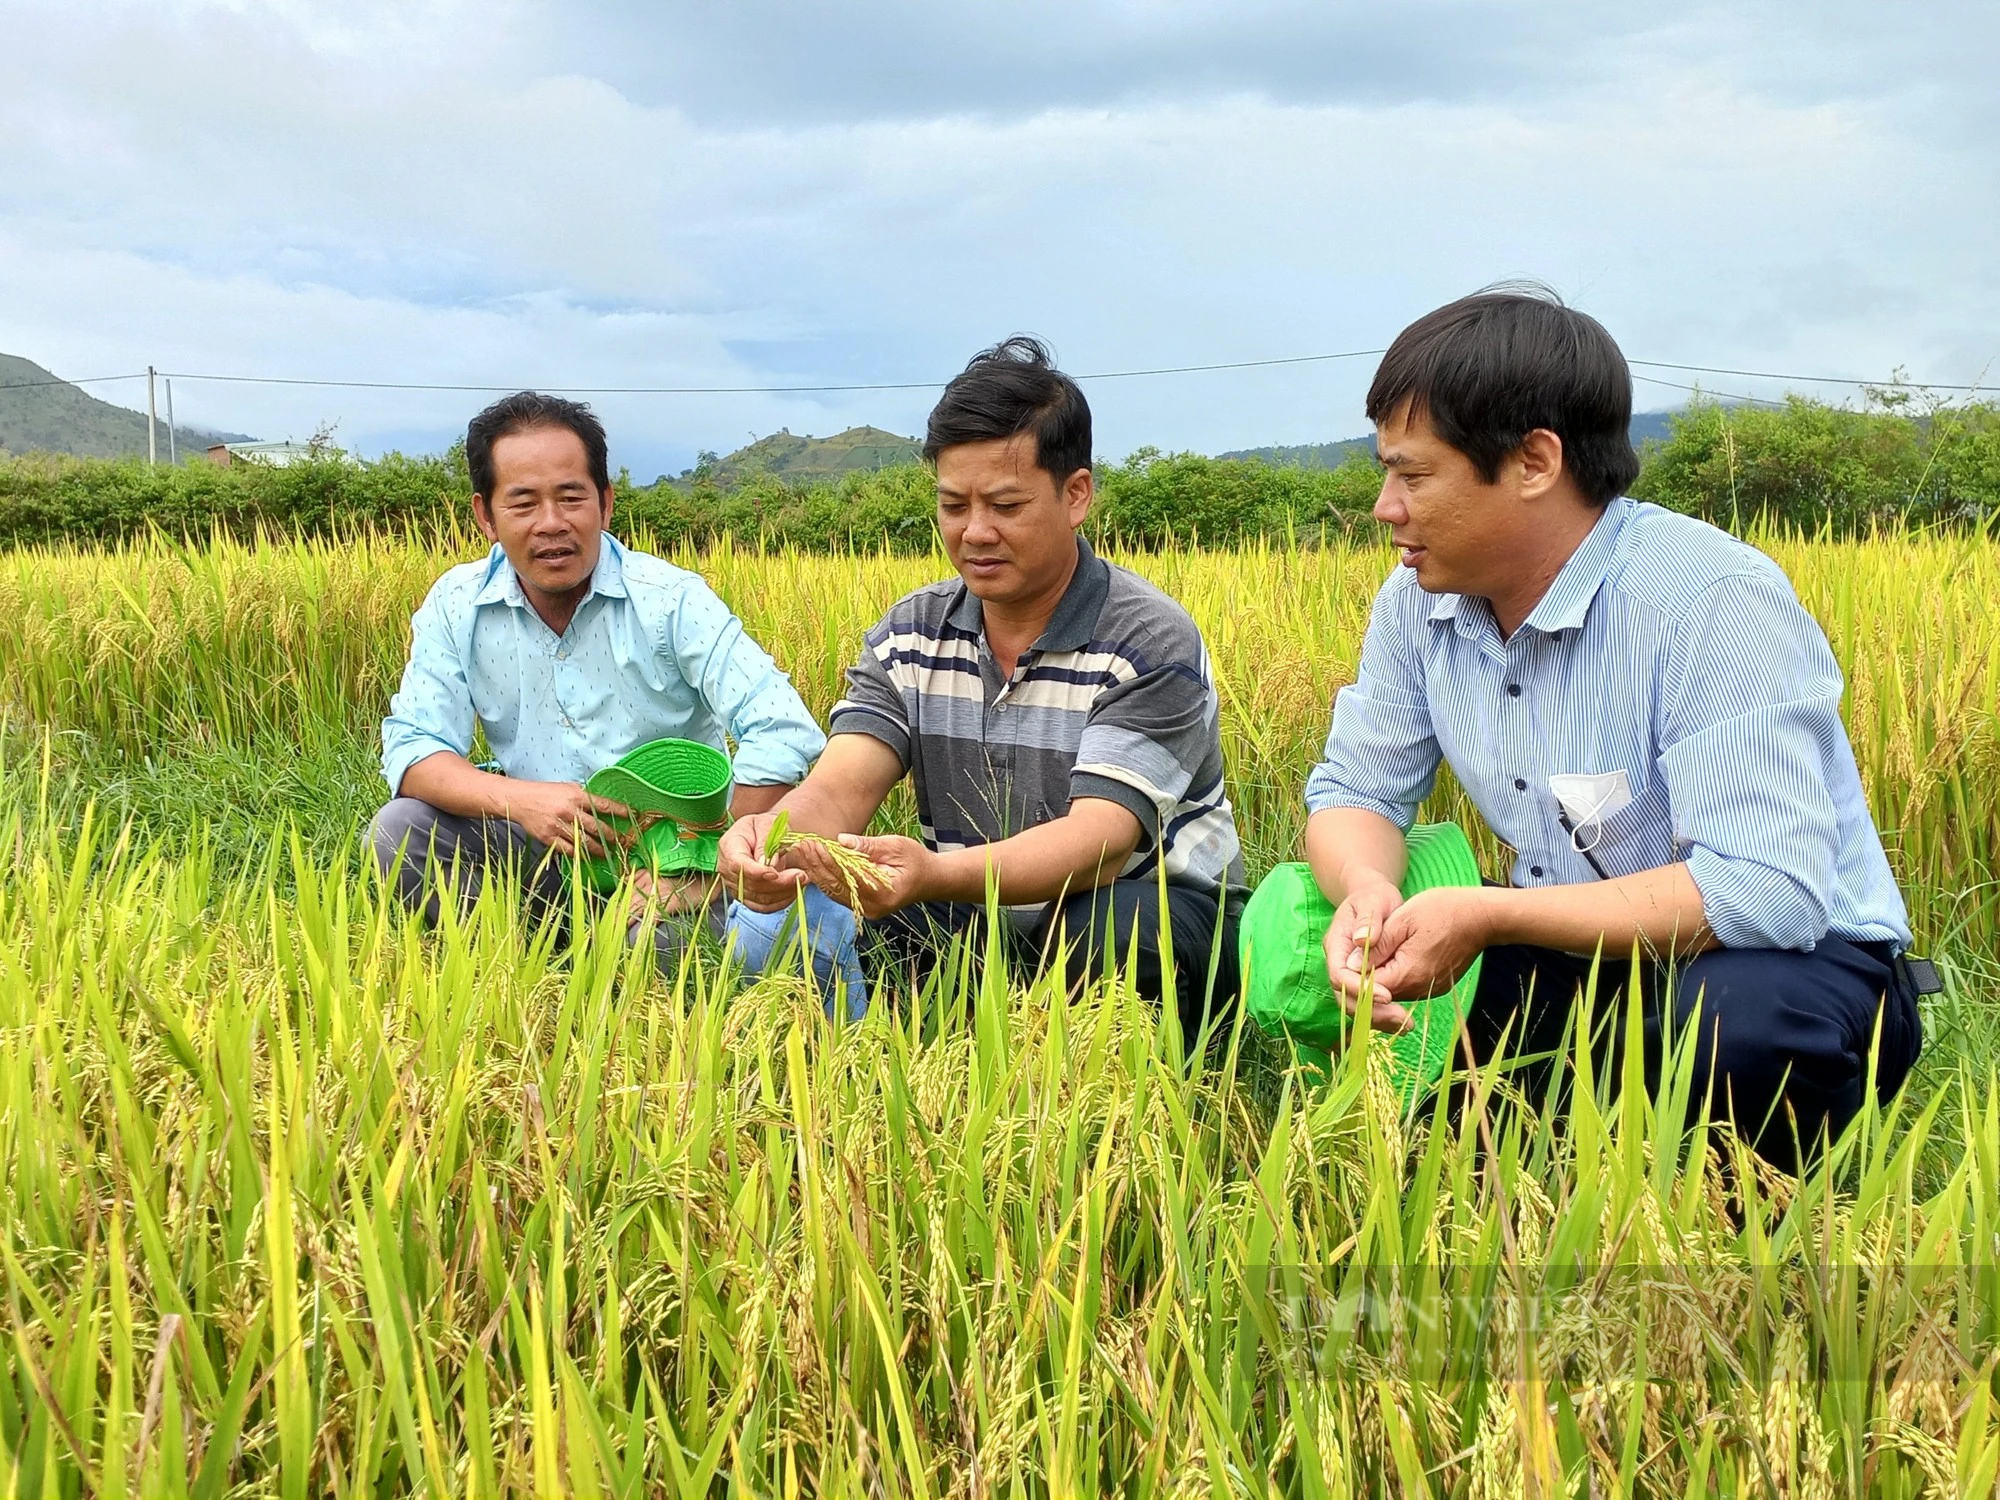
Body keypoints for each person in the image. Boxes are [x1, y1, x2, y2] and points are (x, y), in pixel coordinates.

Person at [1303, 287, 1921, 1171]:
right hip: (1573, 944)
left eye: (1412, 474)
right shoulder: (1417, 605)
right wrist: (1365, 891)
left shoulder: (1708, 600)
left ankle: (1757, 1247)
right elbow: (1357, 788)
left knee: (1736, 1037)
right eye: (1384, 471)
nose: (1384, 507)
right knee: (1446, 1174)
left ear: (1533, 462)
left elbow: (1765, 894)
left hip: (1787, 964)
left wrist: (1487, 913)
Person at [717, 338, 1245, 1038]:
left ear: (1076, 494)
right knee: (860, 930)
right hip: (974, 905)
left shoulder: (1148, 638)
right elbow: (841, 787)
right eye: (953, 505)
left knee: (1110, 938)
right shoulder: (911, 633)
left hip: (1142, 904)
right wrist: (773, 834)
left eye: (1004, 504)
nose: (975, 532)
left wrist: (935, 875)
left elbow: (1102, 841)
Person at [371, 390, 851, 973]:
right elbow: (415, 749)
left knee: (666, 945)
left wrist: (703, 872)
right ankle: (523, 976)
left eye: (571, 497)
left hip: (668, 855)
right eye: (522, 503)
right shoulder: (458, 603)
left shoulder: (670, 601)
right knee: (400, 835)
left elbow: (783, 730)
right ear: (485, 516)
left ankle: (624, 959)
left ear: (605, 502)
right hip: (541, 846)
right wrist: (522, 800)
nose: (552, 524)